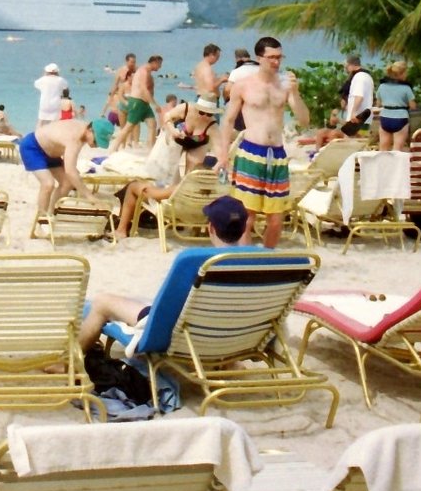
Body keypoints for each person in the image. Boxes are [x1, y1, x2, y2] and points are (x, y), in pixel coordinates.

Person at [81, 195, 253, 350]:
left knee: (102, 302)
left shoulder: (194, 260)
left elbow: (167, 308)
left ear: (211, 228)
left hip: (179, 335)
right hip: (234, 336)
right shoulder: (265, 261)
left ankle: (66, 364)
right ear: (244, 228)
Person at [215, 36, 309, 249]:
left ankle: (267, 257)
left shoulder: (285, 86)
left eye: (279, 57)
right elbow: (228, 120)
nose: (277, 62)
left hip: (276, 154)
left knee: (276, 219)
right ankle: (247, 261)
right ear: (260, 58)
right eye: (272, 57)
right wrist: (223, 155)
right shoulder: (243, 85)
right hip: (251, 151)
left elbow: (304, 120)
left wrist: (295, 93)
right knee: (247, 216)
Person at [113, 97, 219, 239]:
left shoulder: (179, 188)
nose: (205, 116)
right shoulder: (208, 196)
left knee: (132, 187)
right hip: (189, 207)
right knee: (159, 179)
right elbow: (168, 118)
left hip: (169, 203)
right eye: (202, 112)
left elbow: (159, 197)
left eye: (209, 114)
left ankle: (121, 230)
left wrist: (145, 189)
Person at [18, 118, 97, 217]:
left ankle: (50, 214)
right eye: (97, 141)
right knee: (48, 184)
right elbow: (70, 171)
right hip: (33, 147)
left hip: (52, 152)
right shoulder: (75, 137)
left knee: (67, 183)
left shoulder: (83, 130)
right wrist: (89, 196)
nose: (96, 145)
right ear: (90, 131)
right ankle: (40, 220)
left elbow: (69, 161)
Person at [119, 55, 163, 149]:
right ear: (154, 62)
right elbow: (143, 89)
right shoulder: (143, 71)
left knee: (152, 124)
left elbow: (148, 90)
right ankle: (113, 147)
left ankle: (151, 149)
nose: (160, 67)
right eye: (159, 64)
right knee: (128, 127)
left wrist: (152, 102)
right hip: (138, 101)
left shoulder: (147, 72)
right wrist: (154, 104)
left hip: (144, 103)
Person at [377, 60, 416, 152]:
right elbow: (413, 106)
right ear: (402, 74)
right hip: (400, 118)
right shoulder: (406, 88)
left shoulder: (382, 86)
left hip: (385, 117)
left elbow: (378, 104)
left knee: (383, 149)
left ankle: (382, 166)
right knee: (397, 150)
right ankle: (395, 166)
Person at [341, 55, 374, 136]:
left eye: (347, 66)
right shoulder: (367, 76)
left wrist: (353, 112)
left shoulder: (359, 77)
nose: (346, 69)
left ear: (352, 65)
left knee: (353, 141)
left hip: (357, 117)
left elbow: (359, 96)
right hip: (364, 116)